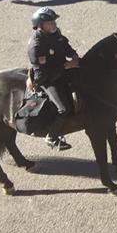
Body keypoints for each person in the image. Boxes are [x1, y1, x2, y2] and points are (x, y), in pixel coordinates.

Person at [27, 8, 79, 150]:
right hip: (48, 80)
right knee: (63, 109)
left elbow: (66, 47)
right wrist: (66, 66)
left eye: (54, 21)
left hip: (63, 71)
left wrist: (74, 56)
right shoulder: (36, 46)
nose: (54, 24)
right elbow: (43, 74)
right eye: (50, 22)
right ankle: (52, 137)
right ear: (41, 25)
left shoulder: (55, 34)